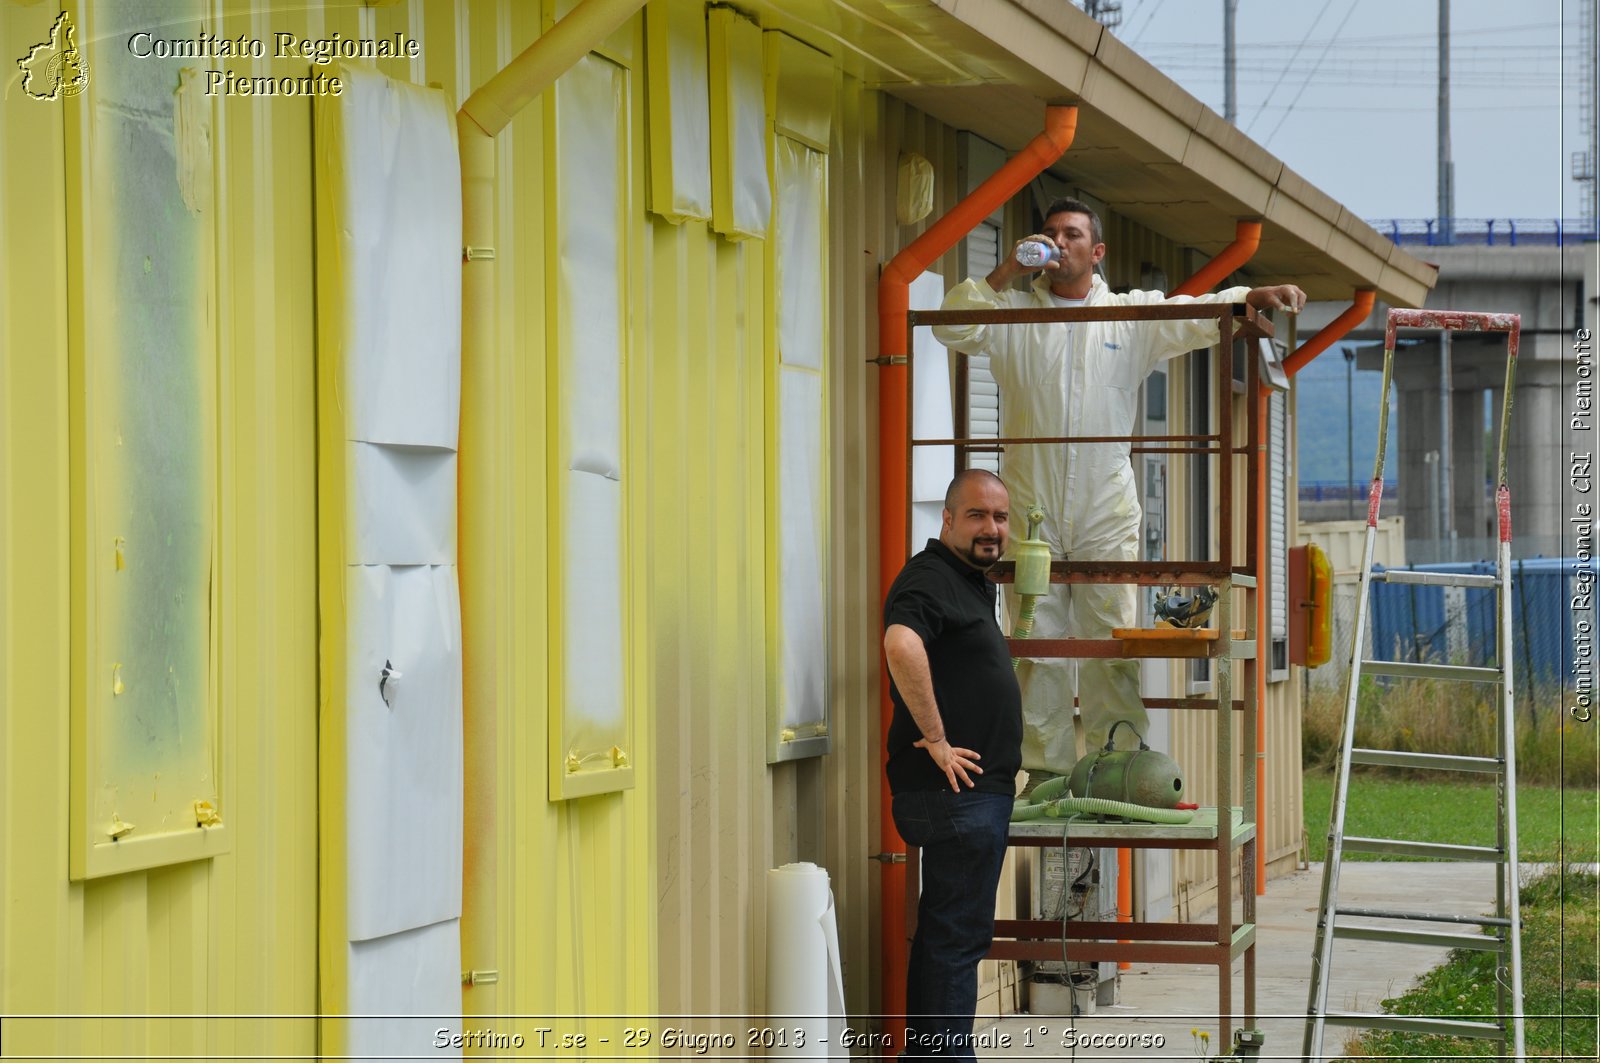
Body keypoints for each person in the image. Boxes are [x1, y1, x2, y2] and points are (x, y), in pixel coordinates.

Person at [932, 198, 1306, 774]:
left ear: (1096, 250)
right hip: (1032, 514)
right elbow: (952, 328)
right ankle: (1047, 776)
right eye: (1050, 234)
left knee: (1111, 646)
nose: (1060, 244)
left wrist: (1246, 298)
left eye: (1073, 235)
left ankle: (1119, 770)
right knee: (1036, 652)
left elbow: (1192, 314)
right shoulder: (1012, 316)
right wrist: (1006, 269)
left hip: (1105, 506)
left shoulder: (1126, 316)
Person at [883, 468, 1022, 1060]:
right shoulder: (931, 577)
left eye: (1000, 517)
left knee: (945, 937)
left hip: (967, 796)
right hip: (955, 794)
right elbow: (900, 642)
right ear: (946, 520)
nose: (991, 528)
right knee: (958, 939)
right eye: (976, 515)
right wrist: (936, 737)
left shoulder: (968, 581)